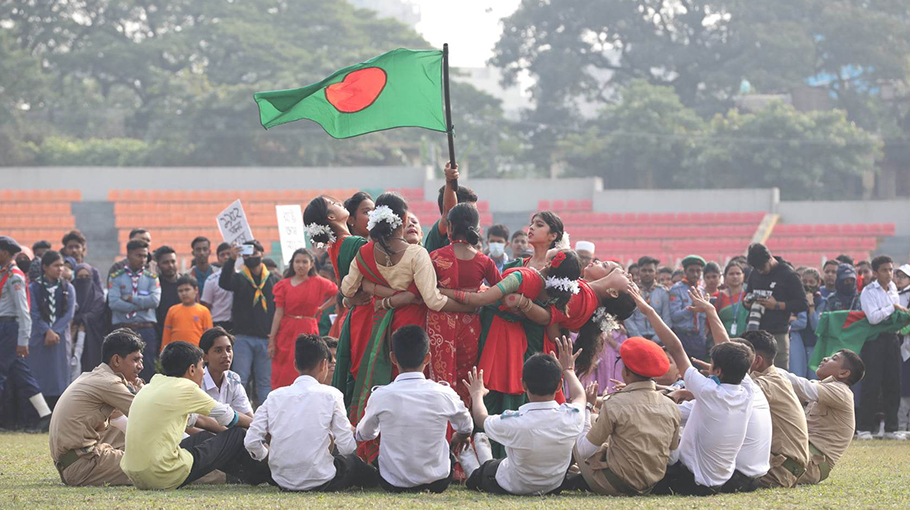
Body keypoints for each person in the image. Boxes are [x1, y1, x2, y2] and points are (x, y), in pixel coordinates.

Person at [340, 192, 470, 460]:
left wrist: (374, 288)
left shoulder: (364, 253)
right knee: (415, 388)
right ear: (401, 220)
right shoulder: (415, 254)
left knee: (386, 389)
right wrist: (469, 305)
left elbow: (346, 289)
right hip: (413, 326)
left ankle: (375, 452)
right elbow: (433, 300)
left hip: (378, 330)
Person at [635, 280, 756, 496]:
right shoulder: (747, 390)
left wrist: (649, 311)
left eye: (712, 364)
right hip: (719, 481)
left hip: (690, 482)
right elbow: (727, 346)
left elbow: (675, 347)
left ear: (717, 371)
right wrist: (710, 310)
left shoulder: (710, 391)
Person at [121, 341, 271, 490]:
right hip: (162, 475)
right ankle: (272, 475)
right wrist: (260, 427)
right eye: (202, 366)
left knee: (204, 437)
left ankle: (251, 476)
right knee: (237, 434)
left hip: (135, 475)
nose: (204, 372)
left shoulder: (152, 385)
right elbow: (230, 417)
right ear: (192, 369)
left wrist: (227, 444)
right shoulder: (186, 387)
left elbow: (199, 420)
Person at [245, 334, 376, 491]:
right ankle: (379, 481)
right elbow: (347, 447)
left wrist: (267, 457)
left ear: (295, 365)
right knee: (353, 463)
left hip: (282, 481)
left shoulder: (274, 396)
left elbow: (251, 441)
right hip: (322, 480)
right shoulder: (332, 395)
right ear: (324, 364)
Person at [461, 336, 586, 496]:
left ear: (523, 384)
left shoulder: (516, 421)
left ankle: (475, 453)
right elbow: (580, 396)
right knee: (495, 464)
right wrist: (568, 370)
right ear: (559, 386)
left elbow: (481, 418)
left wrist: (477, 394)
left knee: (482, 472)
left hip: (513, 485)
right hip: (552, 485)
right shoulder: (572, 416)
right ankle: (482, 449)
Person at [357, 326, 473, 493]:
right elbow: (467, 427)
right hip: (438, 482)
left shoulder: (381, 395)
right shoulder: (444, 393)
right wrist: (460, 435)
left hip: (393, 483)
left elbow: (365, 434)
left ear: (393, 358)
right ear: (427, 358)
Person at [574, 337, 681, 496]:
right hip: (651, 485)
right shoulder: (671, 406)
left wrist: (588, 407)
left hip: (615, 484)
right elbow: (672, 459)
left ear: (626, 372)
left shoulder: (615, 404)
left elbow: (583, 450)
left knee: (578, 427)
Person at [49, 329, 146, 486]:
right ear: (116, 360)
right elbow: (147, 414)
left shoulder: (93, 376)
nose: (140, 366)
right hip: (84, 465)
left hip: (75, 463)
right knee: (158, 467)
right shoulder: (109, 383)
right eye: (135, 360)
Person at [426, 203, 502, 404]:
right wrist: (477, 297)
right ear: (477, 229)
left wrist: (446, 292)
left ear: (449, 227)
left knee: (440, 380)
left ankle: (442, 430)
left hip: (439, 325)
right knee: (465, 378)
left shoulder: (435, 257)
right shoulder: (485, 262)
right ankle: (463, 431)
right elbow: (502, 291)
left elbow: (425, 294)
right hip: (470, 327)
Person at [737, 330, 810, 489]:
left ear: (756, 361)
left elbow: (729, 399)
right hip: (780, 465)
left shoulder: (769, 384)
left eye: (738, 357)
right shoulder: (773, 379)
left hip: (779, 470)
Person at [784, 349, 865, 484]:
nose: (826, 358)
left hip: (810, 465)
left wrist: (768, 369)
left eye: (834, 358)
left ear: (844, 373)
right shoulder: (824, 387)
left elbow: (800, 385)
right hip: (801, 455)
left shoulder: (841, 391)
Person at [0, 236, 54, 431]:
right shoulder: (4, 273)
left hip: (9, 327)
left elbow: (24, 310)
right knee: (20, 373)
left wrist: (23, 340)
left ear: (5, 252)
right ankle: (45, 413)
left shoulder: (14, 275)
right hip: (5, 327)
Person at [268, 248, 338, 390]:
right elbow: (278, 313)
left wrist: (322, 308)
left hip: (308, 328)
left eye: (304, 262)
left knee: (309, 362)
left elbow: (338, 292)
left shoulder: (319, 282)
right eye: (297, 261)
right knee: (283, 368)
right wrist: (272, 340)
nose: (301, 265)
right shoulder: (283, 285)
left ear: (311, 264)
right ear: (292, 263)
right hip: (286, 329)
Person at [218, 240, 277, 406]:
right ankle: (238, 417)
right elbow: (224, 282)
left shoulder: (273, 279)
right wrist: (231, 259)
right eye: (247, 254)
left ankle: (267, 418)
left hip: (266, 339)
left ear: (262, 254)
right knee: (239, 380)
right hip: (242, 338)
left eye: (254, 253)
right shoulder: (239, 278)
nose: (251, 257)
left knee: (265, 382)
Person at [856, 255, 909, 441]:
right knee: (872, 383)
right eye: (885, 270)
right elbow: (873, 318)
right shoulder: (868, 291)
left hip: (892, 339)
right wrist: (893, 307)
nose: (889, 273)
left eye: (891, 269)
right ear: (876, 272)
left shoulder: (893, 288)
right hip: (874, 340)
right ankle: (864, 428)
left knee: (893, 382)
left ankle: (891, 428)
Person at [744, 243, 809, 370]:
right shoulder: (755, 273)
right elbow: (748, 295)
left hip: (777, 333)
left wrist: (777, 305)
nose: (760, 271)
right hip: (755, 332)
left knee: (778, 374)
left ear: (769, 258)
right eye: (757, 268)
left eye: (762, 267)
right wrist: (747, 303)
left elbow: (802, 304)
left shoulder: (788, 274)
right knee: (752, 373)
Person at [27, 251, 77, 407]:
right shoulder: (33, 287)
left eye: (61, 265)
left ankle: (57, 412)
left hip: (60, 339)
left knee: (60, 376)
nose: (60, 269)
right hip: (39, 338)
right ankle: (40, 413)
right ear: (45, 267)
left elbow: (69, 313)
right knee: (39, 374)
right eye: (56, 265)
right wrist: (46, 331)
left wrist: (54, 331)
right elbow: (33, 312)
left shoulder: (68, 288)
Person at [108, 239, 160, 382]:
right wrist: (141, 304)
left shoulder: (152, 278)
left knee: (147, 367)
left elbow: (155, 301)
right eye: (139, 255)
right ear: (129, 255)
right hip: (123, 328)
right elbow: (113, 302)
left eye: (145, 256)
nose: (143, 259)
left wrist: (130, 298)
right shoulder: (117, 277)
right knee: (121, 369)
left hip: (145, 329)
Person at [194, 327, 253, 419]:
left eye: (229, 350)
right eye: (218, 351)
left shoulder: (233, 379)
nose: (226, 355)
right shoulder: (197, 382)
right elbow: (195, 422)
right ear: (205, 357)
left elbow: (247, 415)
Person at [423, 162, 478, 254]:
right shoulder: (442, 231)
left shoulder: (472, 241)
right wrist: (449, 181)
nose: (475, 217)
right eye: (470, 212)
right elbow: (449, 212)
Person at [669, 255, 708, 360]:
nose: (695, 274)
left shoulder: (702, 290)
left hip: (698, 338)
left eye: (698, 271)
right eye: (691, 271)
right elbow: (675, 316)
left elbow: (702, 317)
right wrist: (692, 308)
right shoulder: (676, 290)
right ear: (685, 271)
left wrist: (703, 336)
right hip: (682, 336)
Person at [625, 256, 671, 342]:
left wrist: (656, 339)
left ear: (656, 273)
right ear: (639, 272)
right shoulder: (631, 291)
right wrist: (640, 339)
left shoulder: (663, 292)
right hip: (637, 339)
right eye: (644, 270)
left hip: (659, 340)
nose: (647, 273)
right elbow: (629, 320)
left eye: (650, 271)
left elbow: (667, 319)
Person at [790, 268, 825, 379]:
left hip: (813, 344)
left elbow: (816, 326)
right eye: (804, 282)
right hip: (798, 342)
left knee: (812, 378)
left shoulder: (821, 301)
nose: (807, 285)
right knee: (797, 375)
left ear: (818, 283)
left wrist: (810, 305)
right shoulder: (796, 299)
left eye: (811, 282)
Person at [161, 275, 213, 350]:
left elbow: (208, 336)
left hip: (196, 352)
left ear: (196, 290)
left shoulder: (204, 311)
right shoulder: (172, 310)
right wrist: (164, 351)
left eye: (187, 290)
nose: (184, 293)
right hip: (175, 352)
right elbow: (166, 335)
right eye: (180, 291)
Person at [73, 262, 106, 373]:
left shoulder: (98, 298)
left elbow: (96, 315)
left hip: (94, 341)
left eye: (87, 277)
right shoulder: (70, 295)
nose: (84, 280)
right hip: (73, 339)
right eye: (80, 277)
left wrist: (79, 319)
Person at [201, 242, 234, 332]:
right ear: (218, 259)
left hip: (237, 325)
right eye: (222, 255)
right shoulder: (211, 280)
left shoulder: (243, 277)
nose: (226, 257)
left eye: (229, 254)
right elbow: (206, 306)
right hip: (218, 323)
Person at [154, 246, 182, 345]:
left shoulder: (186, 282)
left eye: (173, 261)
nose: (170, 265)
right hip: (161, 335)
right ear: (158, 265)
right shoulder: (155, 285)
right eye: (165, 262)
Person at [715, 261, 747, 337]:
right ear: (725, 277)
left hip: (746, 340)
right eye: (731, 274)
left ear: (743, 276)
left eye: (738, 273)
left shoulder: (748, 297)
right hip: (724, 340)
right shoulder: (718, 297)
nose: (735, 276)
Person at [896, 264, 910, 432]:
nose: (899, 279)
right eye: (897, 276)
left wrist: (901, 330)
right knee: (902, 388)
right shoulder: (893, 294)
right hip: (898, 348)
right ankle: (900, 426)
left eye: (903, 277)